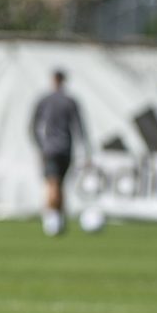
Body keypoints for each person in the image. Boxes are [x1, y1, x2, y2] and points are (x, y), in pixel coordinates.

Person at [30, 69, 90, 237]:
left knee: (53, 183)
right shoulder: (70, 101)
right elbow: (80, 128)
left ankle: (52, 220)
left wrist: (40, 146)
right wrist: (86, 151)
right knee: (57, 183)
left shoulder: (45, 100)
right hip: (65, 148)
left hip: (50, 148)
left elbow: (34, 126)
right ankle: (57, 220)